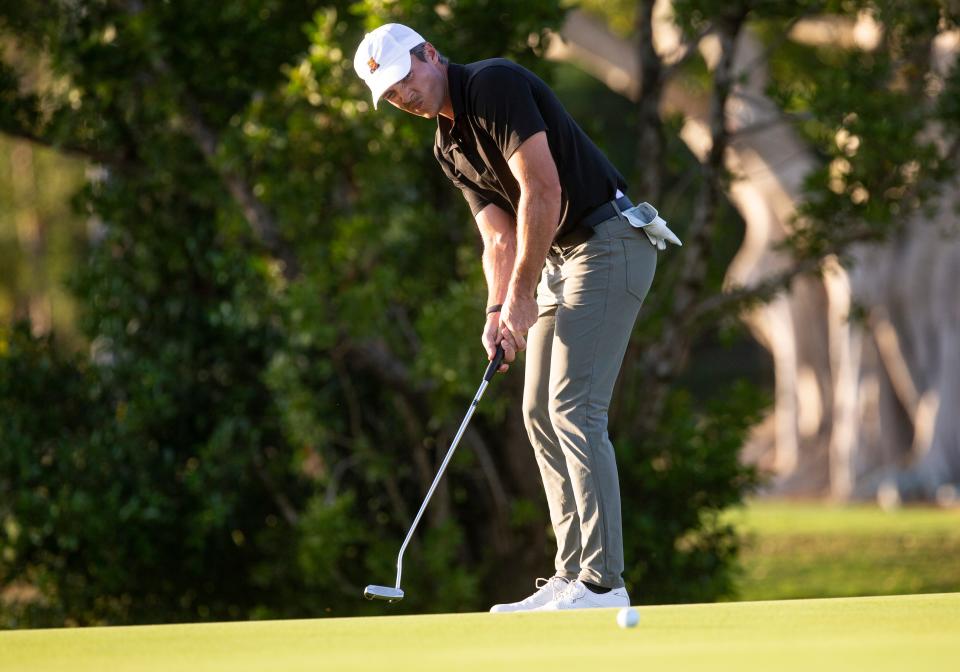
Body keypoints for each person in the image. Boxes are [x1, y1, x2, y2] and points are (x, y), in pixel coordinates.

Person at [353, 23, 680, 612]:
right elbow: (498, 240)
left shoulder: (493, 84)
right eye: (393, 96)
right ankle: (570, 574)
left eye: (406, 80)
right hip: (558, 259)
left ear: (430, 54)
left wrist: (524, 294)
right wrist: (497, 308)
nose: (405, 98)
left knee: (575, 408)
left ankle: (604, 583)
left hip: (608, 240)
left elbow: (542, 190)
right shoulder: (446, 146)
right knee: (536, 411)